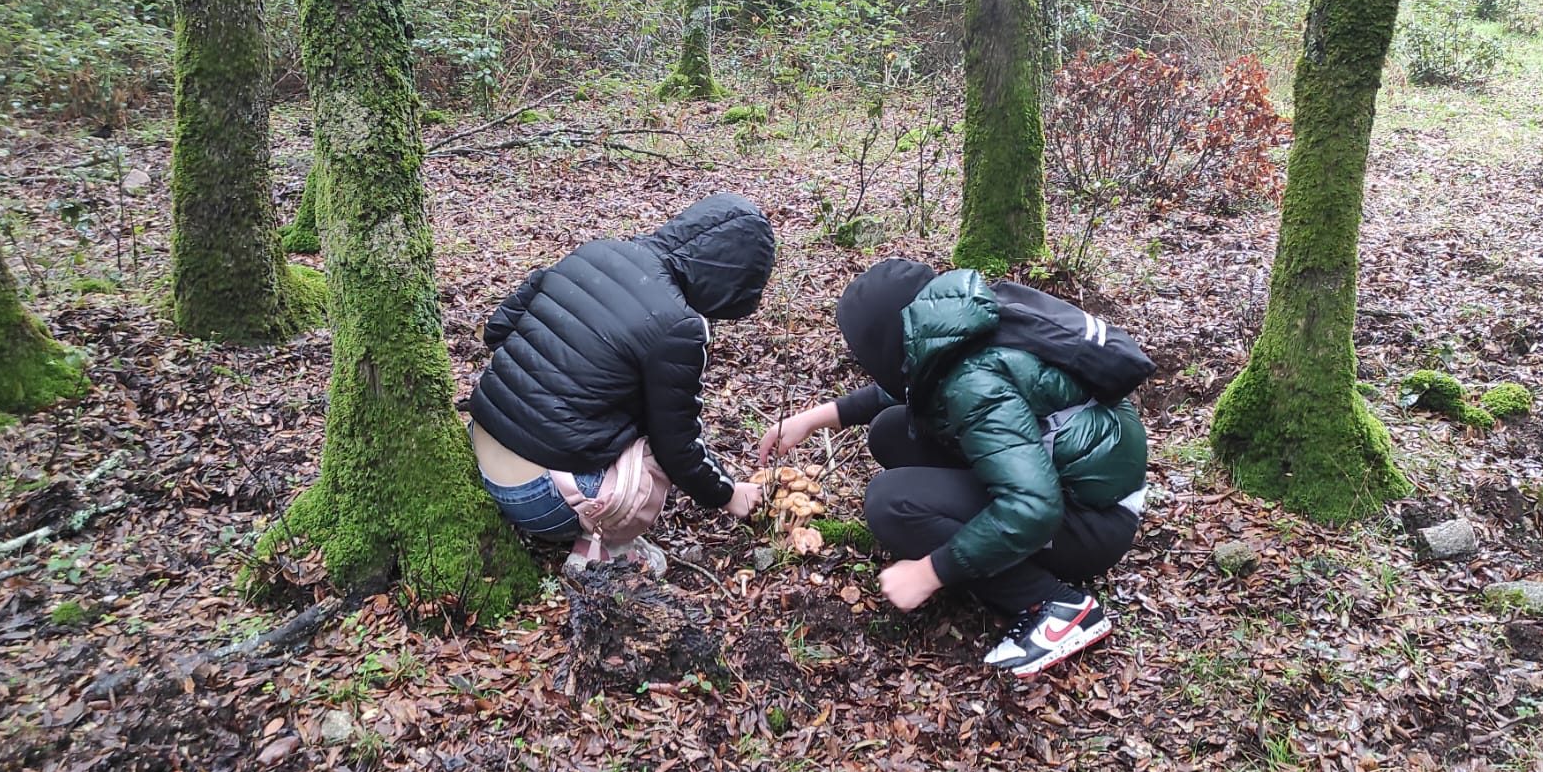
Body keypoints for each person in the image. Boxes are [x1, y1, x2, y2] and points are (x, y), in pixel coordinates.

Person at [758, 259, 1149, 676]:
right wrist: (812, 419)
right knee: (891, 431)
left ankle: (1056, 606)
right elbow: (910, 390)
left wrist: (930, 572)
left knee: (891, 503)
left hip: (1091, 523)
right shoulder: (957, 325)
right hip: (1068, 482)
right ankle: (990, 561)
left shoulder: (973, 380)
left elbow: (1033, 508)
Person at [462, 193, 774, 573]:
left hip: (477, 449)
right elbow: (677, 447)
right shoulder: (679, 326)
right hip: (538, 500)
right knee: (650, 448)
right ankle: (608, 548)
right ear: (730, 279)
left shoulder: (595, 252)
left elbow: (497, 329)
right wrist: (728, 494)